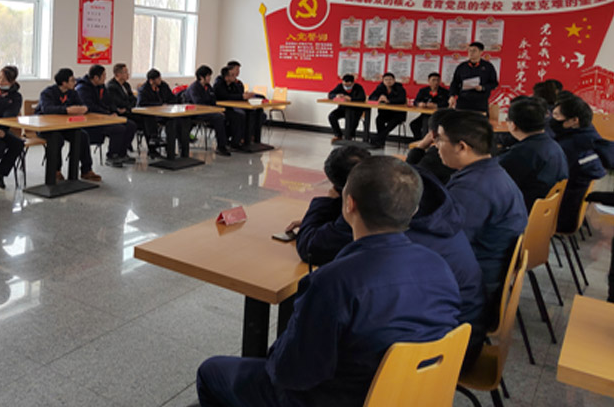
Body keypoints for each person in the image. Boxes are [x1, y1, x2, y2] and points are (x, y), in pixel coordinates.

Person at [196, 157, 461, 407]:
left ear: (349, 205)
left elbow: (291, 373)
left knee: (212, 371)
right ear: (414, 210)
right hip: (412, 395)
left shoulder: (333, 282)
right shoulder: (440, 267)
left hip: (338, 399)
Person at [290, 147, 486, 369]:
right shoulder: (419, 194)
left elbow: (312, 246)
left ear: (349, 203)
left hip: (411, 367)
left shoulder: (367, 227)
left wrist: (327, 203)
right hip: (454, 347)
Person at [435, 110, 527, 306]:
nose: (436, 145)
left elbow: (445, 242)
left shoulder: (472, 189)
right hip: (489, 272)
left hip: (472, 289)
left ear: (461, 147)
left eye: (440, 139)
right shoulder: (491, 172)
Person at [551, 95, 614, 232]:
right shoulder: (588, 135)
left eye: (556, 115)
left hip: (558, 216)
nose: (552, 118)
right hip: (569, 211)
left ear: (574, 120)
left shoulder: (571, 146)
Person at [497, 96, 568, 212]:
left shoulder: (522, 154)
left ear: (513, 124)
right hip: (543, 212)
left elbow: (495, 183)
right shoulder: (553, 145)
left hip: (521, 212)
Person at [36, 68, 101, 182]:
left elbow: (82, 105)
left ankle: (86, 170)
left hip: (65, 126)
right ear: (64, 83)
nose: (75, 82)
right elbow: (47, 109)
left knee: (81, 136)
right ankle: (55, 171)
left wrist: (84, 108)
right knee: (57, 139)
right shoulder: (48, 93)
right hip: (46, 127)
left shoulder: (73, 93)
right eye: (72, 80)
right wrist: (67, 110)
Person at [75, 64, 136, 167]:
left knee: (130, 125)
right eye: (103, 75)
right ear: (96, 77)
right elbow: (90, 107)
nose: (105, 77)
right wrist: (107, 114)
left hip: (104, 117)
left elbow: (109, 101)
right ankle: (112, 156)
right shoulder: (83, 88)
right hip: (91, 121)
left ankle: (122, 153)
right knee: (118, 129)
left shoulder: (101, 86)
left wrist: (113, 111)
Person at [185, 65, 231, 156]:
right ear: (201, 77)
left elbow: (213, 100)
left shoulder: (208, 87)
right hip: (196, 113)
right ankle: (221, 146)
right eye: (208, 76)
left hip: (208, 111)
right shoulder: (194, 88)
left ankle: (227, 141)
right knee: (218, 117)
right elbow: (199, 104)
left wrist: (216, 109)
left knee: (229, 115)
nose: (210, 78)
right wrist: (213, 110)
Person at [213, 64, 259, 149]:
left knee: (254, 113)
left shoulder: (234, 84)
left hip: (232, 107)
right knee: (238, 116)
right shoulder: (219, 84)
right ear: (226, 77)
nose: (235, 77)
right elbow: (225, 96)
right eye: (232, 75)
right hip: (221, 108)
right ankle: (236, 141)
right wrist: (241, 96)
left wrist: (244, 95)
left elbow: (238, 94)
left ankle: (247, 138)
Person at [405, 108, 456, 184]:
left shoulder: (437, 155)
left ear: (432, 134)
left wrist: (420, 146)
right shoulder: (466, 153)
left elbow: (407, 178)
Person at [106, 63, 146, 153]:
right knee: (131, 125)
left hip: (128, 111)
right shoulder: (111, 87)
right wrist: (128, 106)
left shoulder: (126, 85)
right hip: (119, 113)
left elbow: (134, 100)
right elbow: (119, 103)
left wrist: (128, 107)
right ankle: (122, 149)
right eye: (125, 72)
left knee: (146, 119)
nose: (128, 74)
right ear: (118, 74)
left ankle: (152, 145)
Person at [449, 41, 498, 113]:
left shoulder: (488, 67)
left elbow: (494, 83)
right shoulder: (462, 66)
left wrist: (483, 87)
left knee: (479, 120)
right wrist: (452, 95)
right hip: (463, 102)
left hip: (480, 103)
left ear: (481, 52)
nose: (471, 53)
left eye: (474, 51)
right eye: (469, 50)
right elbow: (455, 82)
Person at [136, 68, 177, 152]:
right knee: (150, 120)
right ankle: (153, 144)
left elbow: (172, 98)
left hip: (165, 113)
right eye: (158, 79)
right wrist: (160, 104)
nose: (160, 80)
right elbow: (142, 104)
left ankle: (171, 148)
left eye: (160, 77)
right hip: (151, 116)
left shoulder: (163, 86)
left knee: (174, 121)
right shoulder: (144, 90)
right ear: (151, 81)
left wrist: (167, 104)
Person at [368, 72, 407, 148]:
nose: (388, 81)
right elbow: (371, 97)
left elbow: (402, 100)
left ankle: (378, 139)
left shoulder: (400, 88)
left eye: (390, 79)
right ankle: (380, 141)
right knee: (379, 120)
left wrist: (388, 101)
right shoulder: (380, 88)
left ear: (394, 80)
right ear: (383, 81)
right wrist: (378, 99)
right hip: (385, 113)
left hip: (398, 114)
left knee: (391, 123)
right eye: (386, 80)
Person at [409, 72, 450, 139]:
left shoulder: (445, 92)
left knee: (426, 122)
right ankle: (418, 140)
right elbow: (416, 101)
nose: (436, 82)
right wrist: (419, 104)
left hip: (438, 116)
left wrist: (436, 105)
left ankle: (424, 141)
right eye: (433, 80)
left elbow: (447, 104)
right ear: (428, 81)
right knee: (414, 124)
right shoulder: (423, 91)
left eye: (438, 80)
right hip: (425, 113)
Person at [326, 74, 366, 142]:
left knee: (353, 118)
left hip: (355, 110)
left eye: (348, 85)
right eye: (345, 85)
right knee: (332, 116)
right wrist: (336, 96)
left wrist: (351, 99)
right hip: (343, 109)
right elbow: (330, 94)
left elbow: (362, 98)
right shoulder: (340, 86)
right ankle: (338, 135)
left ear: (353, 83)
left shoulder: (358, 87)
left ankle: (350, 136)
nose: (346, 87)